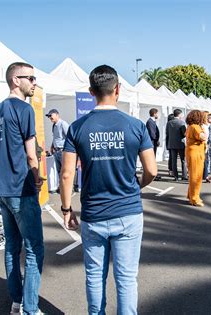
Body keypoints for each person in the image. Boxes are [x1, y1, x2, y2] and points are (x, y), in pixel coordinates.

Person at [59, 65, 157, 314]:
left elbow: (67, 173)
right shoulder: (135, 126)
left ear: (91, 91)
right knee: (126, 279)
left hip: (93, 215)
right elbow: (152, 170)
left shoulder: (77, 127)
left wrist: (66, 209)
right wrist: (138, 185)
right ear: (118, 90)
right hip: (128, 212)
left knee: (94, 276)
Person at [0, 62, 45, 315]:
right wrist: (37, 177)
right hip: (20, 188)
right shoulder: (24, 108)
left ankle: (16, 301)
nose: (34, 82)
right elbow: (31, 154)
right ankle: (30, 309)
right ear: (16, 80)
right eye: (30, 78)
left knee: (13, 247)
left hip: (2, 189)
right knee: (34, 250)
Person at [185, 110, 206, 206]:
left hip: (191, 151)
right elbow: (203, 137)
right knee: (196, 176)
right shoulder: (196, 127)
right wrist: (203, 129)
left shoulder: (190, 126)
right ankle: (194, 198)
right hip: (196, 153)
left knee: (193, 174)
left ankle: (191, 195)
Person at [46, 109, 69, 192]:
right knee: (59, 170)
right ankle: (61, 187)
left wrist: (67, 150)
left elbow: (69, 138)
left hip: (62, 151)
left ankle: (67, 188)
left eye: (50, 115)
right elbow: (55, 138)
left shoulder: (63, 124)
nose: (49, 117)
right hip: (56, 151)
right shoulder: (54, 125)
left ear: (57, 114)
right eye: (49, 116)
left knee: (65, 171)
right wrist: (52, 146)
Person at [166, 108, 187, 181]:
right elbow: (184, 134)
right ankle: (184, 176)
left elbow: (167, 133)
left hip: (171, 144)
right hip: (180, 144)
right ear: (179, 114)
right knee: (183, 160)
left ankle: (176, 176)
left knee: (173, 161)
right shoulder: (181, 123)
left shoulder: (169, 123)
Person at [146, 108, 161, 180]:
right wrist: (156, 140)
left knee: (153, 158)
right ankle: (153, 175)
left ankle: (154, 174)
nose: (158, 115)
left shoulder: (152, 121)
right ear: (154, 114)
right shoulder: (150, 122)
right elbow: (152, 133)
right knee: (152, 159)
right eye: (157, 113)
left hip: (154, 142)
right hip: (152, 142)